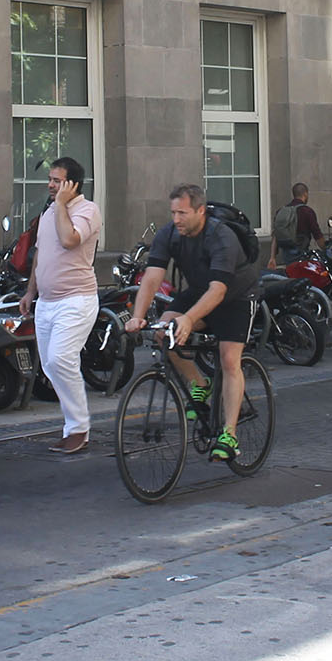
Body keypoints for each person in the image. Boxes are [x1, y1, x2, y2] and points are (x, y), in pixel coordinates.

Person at [125, 184, 257, 461]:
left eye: (182, 213)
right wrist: (138, 315)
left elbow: (219, 290)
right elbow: (152, 277)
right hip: (199, 292)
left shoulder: (221, 237)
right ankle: (199, 382)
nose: (176, 219)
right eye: (173, 212)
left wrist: (189, 319)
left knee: (229, 359)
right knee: (164, 332)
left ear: (200, 211)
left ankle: (229, 435)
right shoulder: (169, 233)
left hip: (236, 296)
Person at [21, 157, 103, 455]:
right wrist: (30, 292)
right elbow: (40, 255)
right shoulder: (48, 212)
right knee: (50, 365)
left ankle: (78, 428)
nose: (50, 185)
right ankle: (73, 424)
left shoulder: (87, 210)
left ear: (73, 184)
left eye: (57, 181)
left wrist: (61, 206)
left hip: (77, 300)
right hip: (47, 302)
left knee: (60, 359)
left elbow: (69, 239)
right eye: (51, 180)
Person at [267, 183, 324, 267]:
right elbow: (317, 234)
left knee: (291, 275)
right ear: (305, 194)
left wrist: (272, 257)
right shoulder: (307, 211)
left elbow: (276, 235)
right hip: (301, 253)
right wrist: (325, 249)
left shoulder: (281, 211)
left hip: (286, 254)